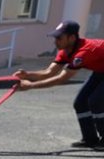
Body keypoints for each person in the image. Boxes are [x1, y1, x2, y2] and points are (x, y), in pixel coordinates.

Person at [14, 20, 104, 150]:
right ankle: (90, 139)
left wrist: (30, 86)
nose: (55, 41)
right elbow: (49, 72)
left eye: (59, 38)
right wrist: (27, 74)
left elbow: (60, 79)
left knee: (96, 101)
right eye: (55, 37)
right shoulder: (65, 50)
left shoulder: (83, 52)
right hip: (101, 70)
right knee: (80, 102)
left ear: (72, 37)